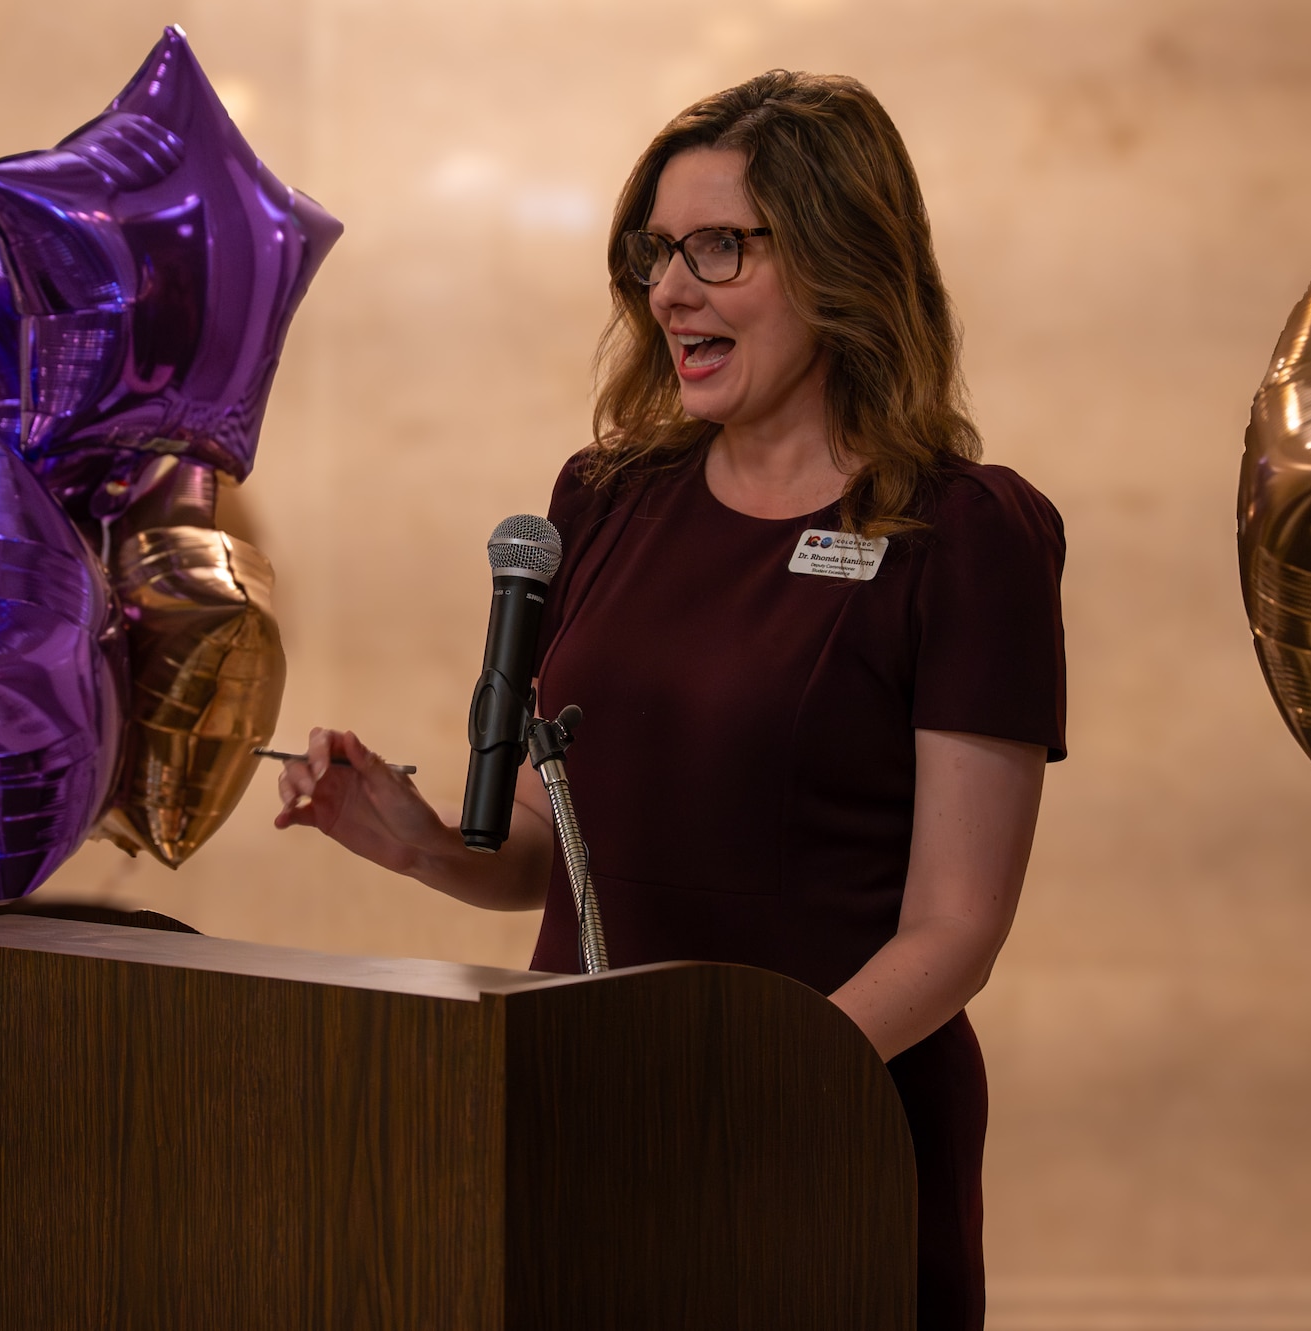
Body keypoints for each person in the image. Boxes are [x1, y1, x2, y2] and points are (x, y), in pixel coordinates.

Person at [273, 70, 1065, 1331]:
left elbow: (954, 928)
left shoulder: (963, 535)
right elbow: (553, 849)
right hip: (587, 1111)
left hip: (818, 1125)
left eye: (714, 246)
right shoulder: (605, 497)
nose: (667, 291)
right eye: (653, 251)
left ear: (838, 254)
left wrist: (736, 1088)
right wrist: (420, 841)